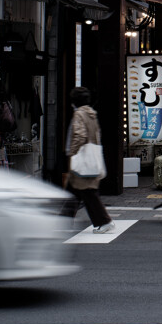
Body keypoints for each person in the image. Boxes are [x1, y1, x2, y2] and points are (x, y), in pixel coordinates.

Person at [65, 87, 114, 234]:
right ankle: (64, 221)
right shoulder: (92, 114)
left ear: (74, 101)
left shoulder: (79, 115)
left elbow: (80, 135)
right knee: (74, 191)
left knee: (87, 192)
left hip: (81, 159)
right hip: (90, 157)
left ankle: (104, 221)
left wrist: (72, 152)